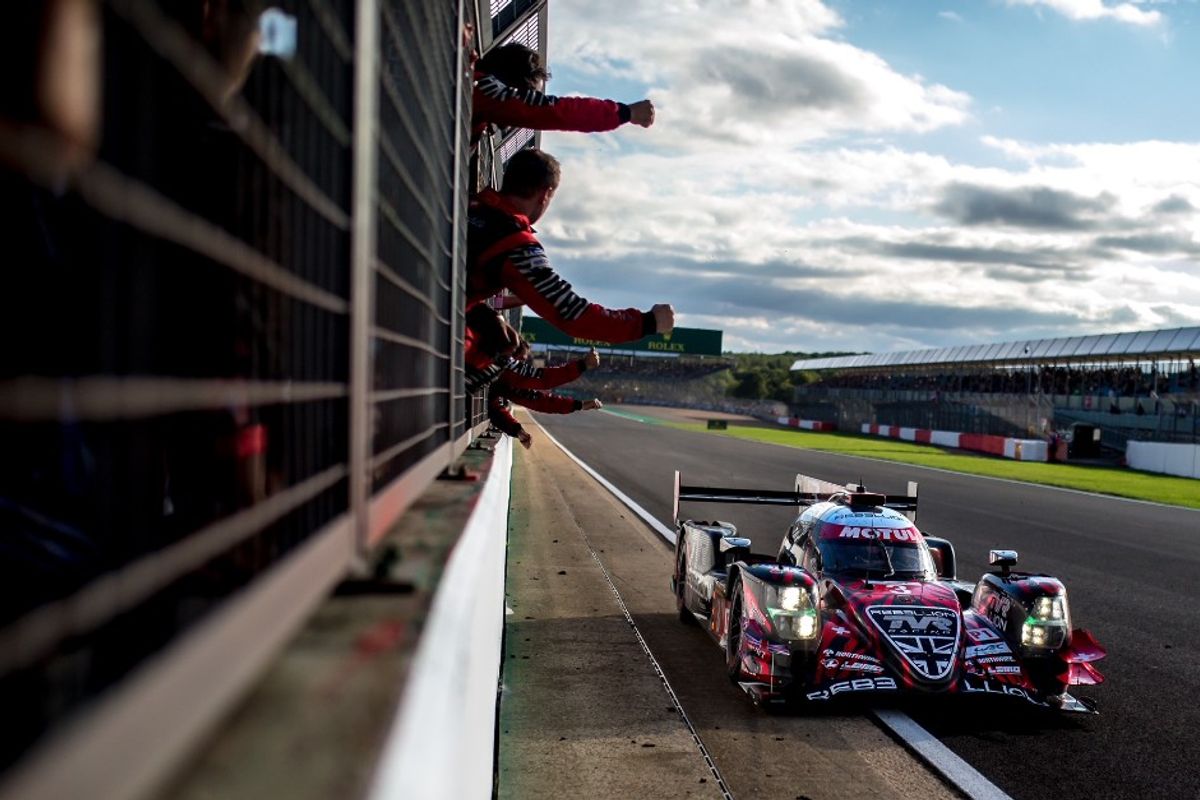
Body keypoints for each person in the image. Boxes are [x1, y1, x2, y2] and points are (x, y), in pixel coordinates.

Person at [464, 148, 674, 391]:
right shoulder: (514, 241)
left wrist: (483, 314)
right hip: (424, 343)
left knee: (492, 330)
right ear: (545, 194)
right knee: (497, 354)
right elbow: (572, 314)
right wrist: (647, 323)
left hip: (416, 305)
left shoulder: (467, 203)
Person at [471, 43, 654, 148]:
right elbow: (560, 112)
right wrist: (625, 113)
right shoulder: (488, 92)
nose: (533, 100)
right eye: (531, 95)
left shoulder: (470, 80)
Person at [488, 348, 605, 449]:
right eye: (520, 358)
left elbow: (537, 400)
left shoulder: (496, 377)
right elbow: (543, 380)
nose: (523, 360)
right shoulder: (498, 358)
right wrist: (582, 365)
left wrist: (517, 430)